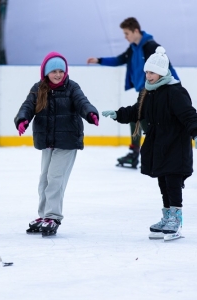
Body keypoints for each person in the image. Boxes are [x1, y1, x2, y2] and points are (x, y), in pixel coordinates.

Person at [102, 46, 197, 241]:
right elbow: (138, 111)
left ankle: (176, 219)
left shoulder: (175, 92)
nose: (148, 75)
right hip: (158, 146)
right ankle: (167, 217)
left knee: (172, 182)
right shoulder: (148, 92)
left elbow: (189, 116)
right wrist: (118, 114)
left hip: (175, 146)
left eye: (152, 72)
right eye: (146, 71)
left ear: (162, 72)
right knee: (162, 181)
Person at [14, 52, 99, 237]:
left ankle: (53, 216)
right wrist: (22, 120)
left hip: (67, 142)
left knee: (55, 178)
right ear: (46, 72)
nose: (58, 74)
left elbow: (82, 102)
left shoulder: (72, 87)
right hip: (48, 142)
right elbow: (27, 106)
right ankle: (44, 215)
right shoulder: (39, 88)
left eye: (61, 70)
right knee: (44, 179)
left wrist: (90, 113)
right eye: (54, 71)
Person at [87, 17, 179, 168]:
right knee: (134, 117)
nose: (125, 37)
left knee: (139, 116)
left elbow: (167, 66)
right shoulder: (133, 48)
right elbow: (119, 60)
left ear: (136, 31)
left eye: (127, 33)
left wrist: (177, 86)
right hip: (144, 90)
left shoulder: (151, 47)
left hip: (153, 90)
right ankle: (136, 153)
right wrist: (99, 60)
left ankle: (158, 149)